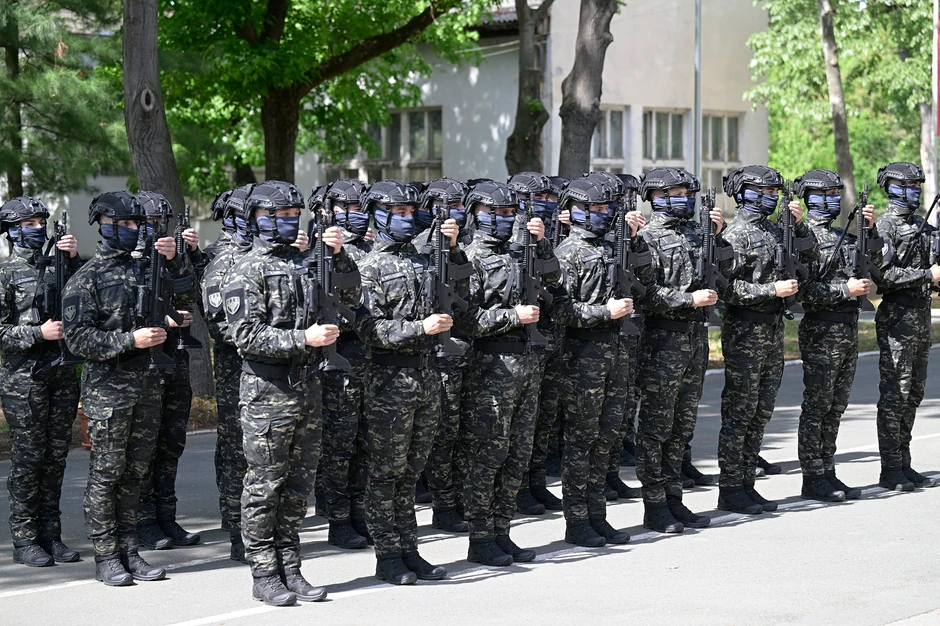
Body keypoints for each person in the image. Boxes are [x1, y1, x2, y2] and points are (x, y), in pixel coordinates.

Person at [224, 180, 359, 606]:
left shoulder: (305, 264)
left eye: (291, 217)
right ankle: (264, 572)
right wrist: (305, 338)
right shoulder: (247, 270)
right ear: (256, 220)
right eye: (277, 217)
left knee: (299, 486)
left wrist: (339, 255)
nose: (287, 224)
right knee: (265, 484)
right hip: (267, 390)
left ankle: (291, 566)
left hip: (306, 388)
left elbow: (352, 297)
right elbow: (245, 335)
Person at [63, 191, 188, 586]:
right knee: (107, 474)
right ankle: (106, 555)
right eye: (128, 225)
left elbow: (173, 298)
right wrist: (129, 341)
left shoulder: (144, 270)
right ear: (106, 225)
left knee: (135, 474)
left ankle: (130, 550)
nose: (136, 231)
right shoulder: (87, 278)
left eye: (138, 224)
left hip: (146, 387)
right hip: (109, 391)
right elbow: (77, 340)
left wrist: (168, 321)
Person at [355, 179, 469, 585]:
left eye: (409, 213)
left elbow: (462, 291)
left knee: (410, 470)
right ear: (379, 217)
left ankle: (409, 549)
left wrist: (452, 248)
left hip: (425, 376)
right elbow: (369, 329)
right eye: (398, 214)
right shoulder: (368, 267)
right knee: (386, 472)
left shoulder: (423, 259)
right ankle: (387, 555)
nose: (407, 220)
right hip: (389, 379)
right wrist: (419, 327)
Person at [456, 179, 563, 566]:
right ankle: (480, 536)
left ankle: (503, 530)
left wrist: (542, 242)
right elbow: (463, 319)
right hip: (491, 369)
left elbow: (556, 283)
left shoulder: (521, 254)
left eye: (507, 214)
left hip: (527, 368)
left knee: (518, 453)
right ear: (476, 215)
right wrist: (510, 316)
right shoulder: (469, 259)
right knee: (487, 456)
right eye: (495, 214)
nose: (503, 221)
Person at [716, 165, 817, 515]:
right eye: (767, 191)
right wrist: (770, 290)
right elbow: (726, 289)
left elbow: (811, 257)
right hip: (745, 330)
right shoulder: (735, 235)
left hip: (772, 330)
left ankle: (747, 482)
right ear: (745, 192)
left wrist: (799, 224)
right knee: (740, 411)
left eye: (776, 192)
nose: (773, 197)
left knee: (761, 411)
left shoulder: (776, 230)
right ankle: (730, 486)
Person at [553, 176, 648, 547]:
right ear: (575, 211)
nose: (601, 214)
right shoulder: (567, 254)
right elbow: (561, 310)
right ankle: (576, 520)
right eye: (593, 209)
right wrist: (603, 312)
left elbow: (643, 281)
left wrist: (635, 242)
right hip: (583, 358)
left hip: (616, 355)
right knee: (581, 440)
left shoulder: (612, 248)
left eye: (605, 208)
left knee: (606, 438)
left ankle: (597, 514)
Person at [633, 167, 726, 533]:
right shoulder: (646, 238)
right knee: (656, 427)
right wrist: (688, 299)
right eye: (675, 192)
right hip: (662, 342)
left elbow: (722, 274)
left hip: (694, 340)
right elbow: (644, 294)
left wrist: (716, 238)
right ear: (656, 197)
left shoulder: (694, 234)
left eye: (687, 192)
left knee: (681, 427)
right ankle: (654, 505)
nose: (684, 198)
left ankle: (674, 498)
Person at [0, 196, 82, 567]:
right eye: (29, 224)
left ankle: (51, 534)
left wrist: (74, 260)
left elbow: (85, 300)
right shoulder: (5, 274)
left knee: (55, 459)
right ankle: (25, 538)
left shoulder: (58, 265)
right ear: (12, 231)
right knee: (29, 459)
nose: (37, 229)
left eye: (40, 222)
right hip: (24, 379)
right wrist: (38, 334)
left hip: (62, 374)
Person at [794, 169, 878, 502]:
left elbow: (874, 266)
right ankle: (812, 476)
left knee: (836, 406)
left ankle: (827, 470)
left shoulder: (843, 234)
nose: (831, 200)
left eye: (835, 194)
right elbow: (804, 291)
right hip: (821, 330)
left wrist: (868, 231)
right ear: (809, 198)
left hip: (846, 328)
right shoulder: (803, 238)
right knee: (817, 405)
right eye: (824, 194)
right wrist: (845, 290)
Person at [135, 191, 203, 551]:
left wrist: (179, 257)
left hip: (173, 358)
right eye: (149, 223)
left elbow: (190, 292)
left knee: (171, 443)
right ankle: (144, 520)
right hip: (143, 364)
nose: (156, 230)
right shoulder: (128, 262)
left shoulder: (170, 256)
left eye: (161, 223)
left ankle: (166, 516)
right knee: (144, 445)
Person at [314, 178, 377, 549]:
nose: (353, 216)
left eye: (359, 209)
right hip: (339, 358)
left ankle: (358, 512)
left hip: (372, 357)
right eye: (345, 209)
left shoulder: (372, 248)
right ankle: (337, 520)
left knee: (365, 443)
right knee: (339, 445)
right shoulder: (317, 254)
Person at [872, 161, 940, 491]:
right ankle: (890, 467)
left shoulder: (922, 226)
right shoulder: (885, 227)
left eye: (918, 186)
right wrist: (928, 275)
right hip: (898, 318)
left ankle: (904, 461)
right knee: (895, 394)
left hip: (921, 317)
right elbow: (883, 276)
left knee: (914, 393)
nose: (915, 191)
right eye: (910, 186)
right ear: (894, 188)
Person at [412, 177, 474, 533]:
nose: (455, 214)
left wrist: (454, 249)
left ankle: (459, 498)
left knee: (464, 431)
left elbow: (467, 292)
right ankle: (443, 503)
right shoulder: (422, 247)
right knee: (443, 433)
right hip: (438, 353)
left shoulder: (464, 245)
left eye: (459, 206)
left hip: (468, 347)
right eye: (447, 206)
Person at [202, 183, 256, 563]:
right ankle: (237, 526)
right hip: (237, 364)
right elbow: (219, 324)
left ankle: (255, 524)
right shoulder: (221, 262)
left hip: (266, 366)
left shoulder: (262, 256)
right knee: (237, 446)